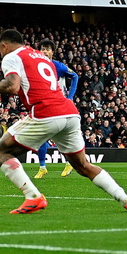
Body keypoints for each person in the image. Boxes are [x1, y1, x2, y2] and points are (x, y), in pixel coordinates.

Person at [0, 29, 127, 214]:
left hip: (46, 113)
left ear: (3, 46)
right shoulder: (41, 57)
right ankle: (124, 198)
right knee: (83, 166)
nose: (0, 53)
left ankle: (33, 196)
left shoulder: (11, 56)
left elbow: (12, 86)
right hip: (69, 113)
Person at [34, 38, 79, 179]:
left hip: (58, 105)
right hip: (43, 105)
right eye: (42, 48)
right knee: (41, 137)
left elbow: (75, 76)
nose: (45, 51)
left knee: (58, 136)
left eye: (47, 49)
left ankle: (68, 163)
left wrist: (70, 96)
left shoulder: (57, 66)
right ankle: (42, 167)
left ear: (53, 52)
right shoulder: (35, 66)